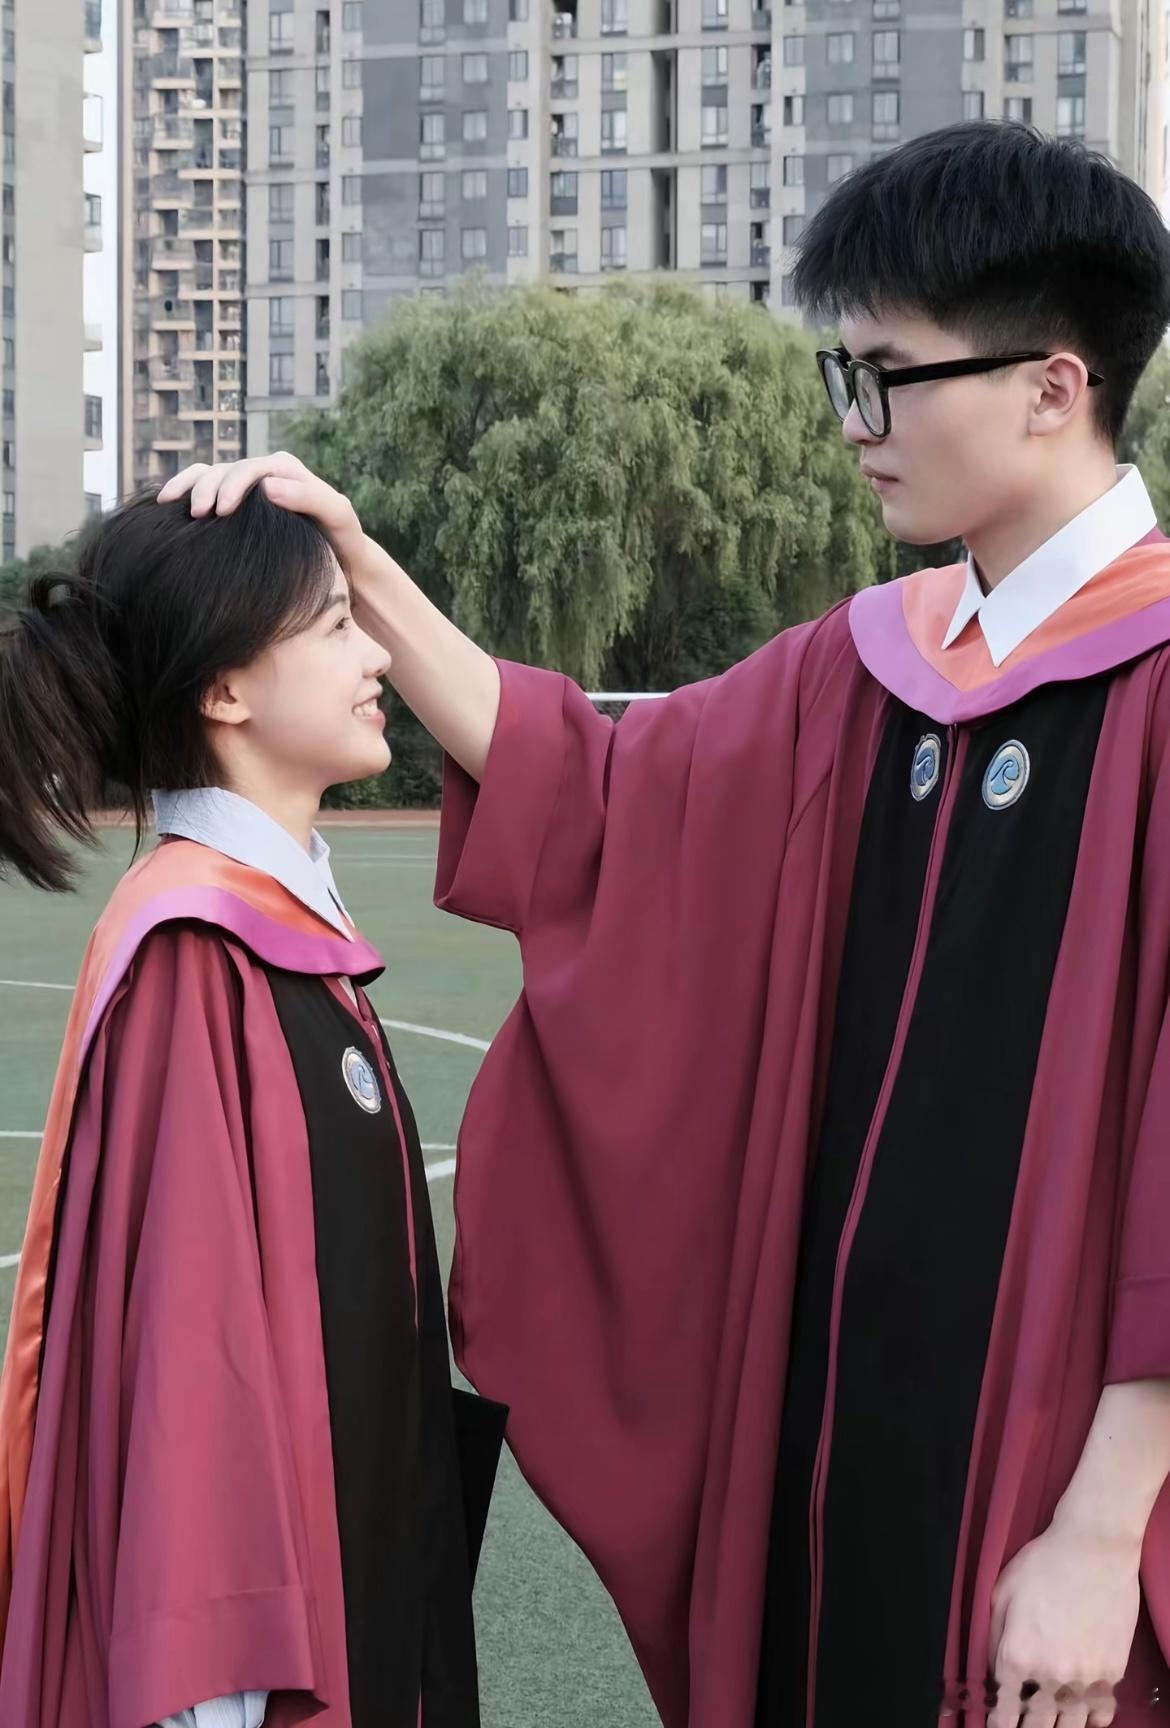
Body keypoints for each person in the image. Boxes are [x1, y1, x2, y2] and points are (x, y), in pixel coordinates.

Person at [161, 121, 1170, 1728]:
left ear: (1050, 387)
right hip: (834, 1449)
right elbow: (599, 790)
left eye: (883, 378)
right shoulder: (867, 666)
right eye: (841, 375)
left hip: (1057, 1489)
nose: (850, 425)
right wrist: (356, 561)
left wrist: (1105, 1532)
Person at [0, 488, 505, 1728]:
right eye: (335, 626)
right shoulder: (194, 957)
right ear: (225, 691)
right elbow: (194, 1384)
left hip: (373, 1583)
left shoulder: (280, 939)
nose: (376, 654)